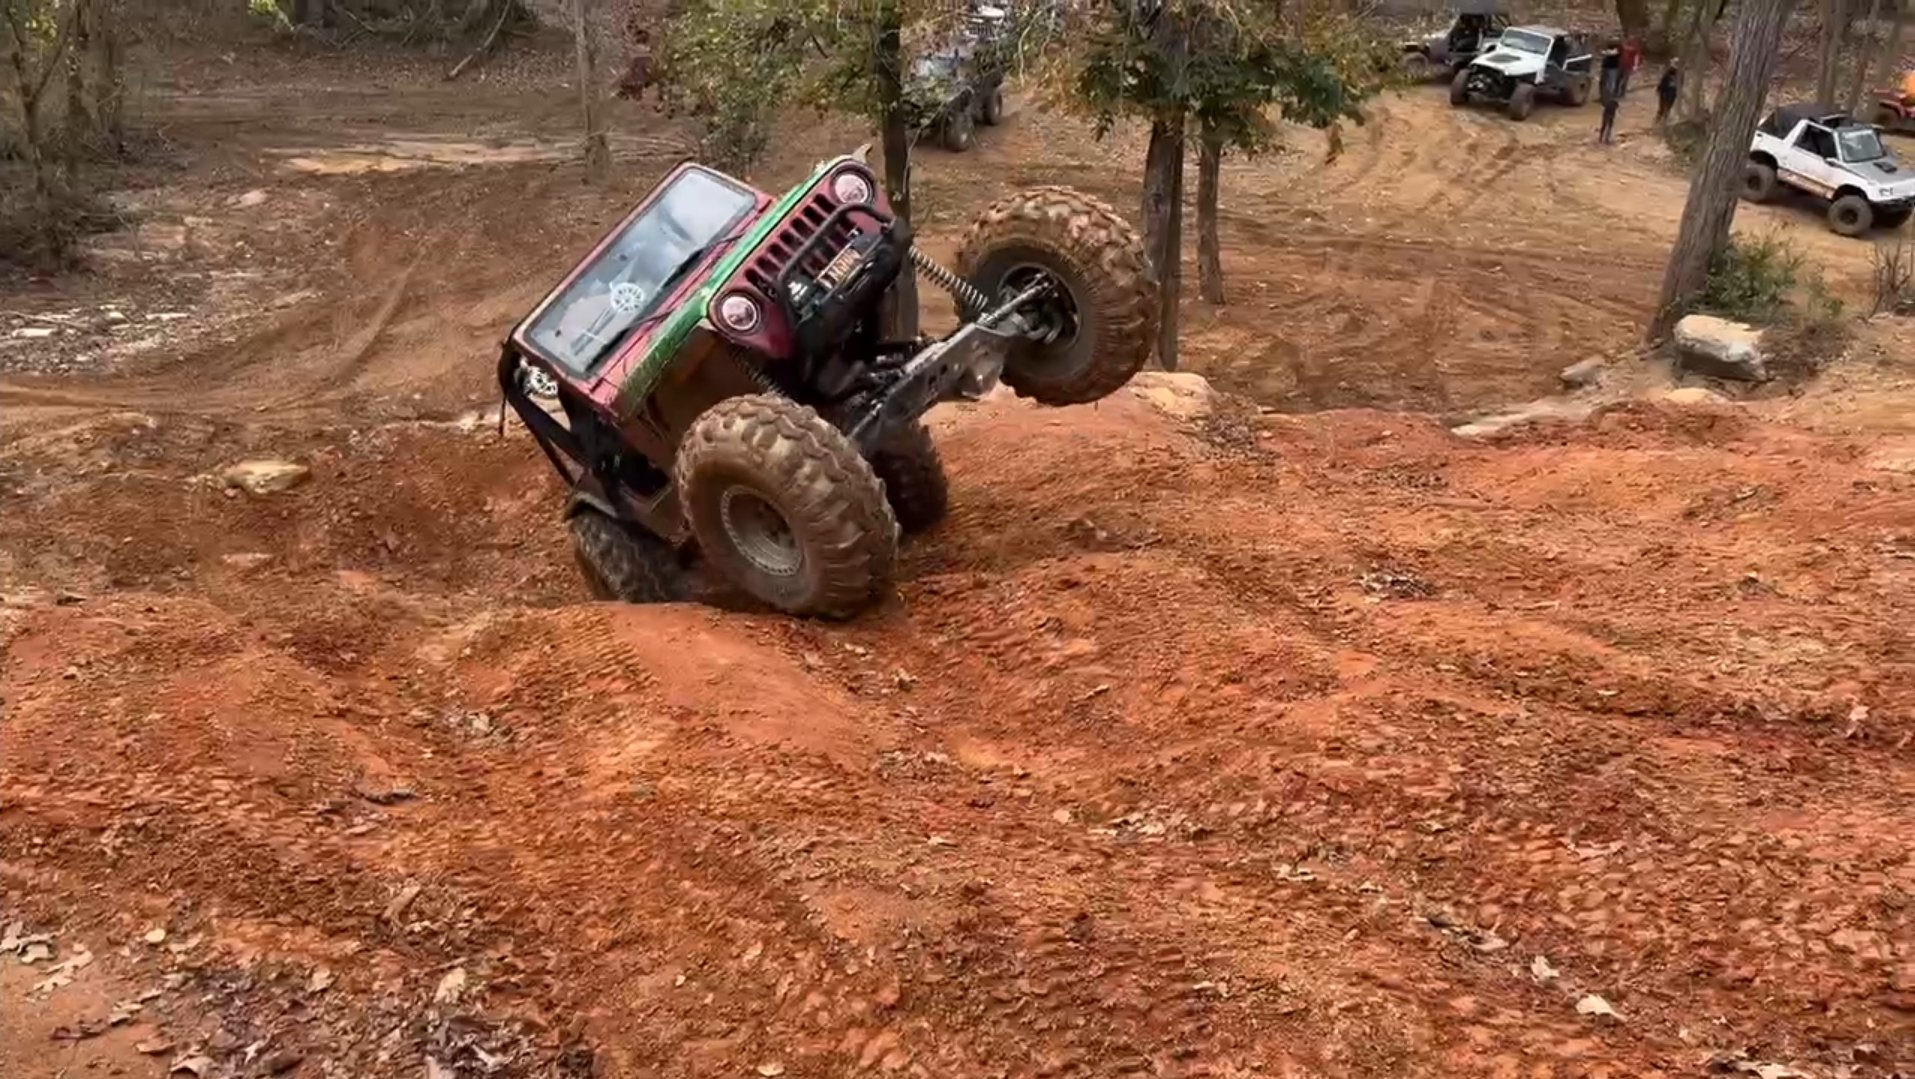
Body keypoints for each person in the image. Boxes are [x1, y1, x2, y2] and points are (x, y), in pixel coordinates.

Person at [1598, 49, 1623, 144]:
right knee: (1608, 125)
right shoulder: (1614, 102)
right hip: (1610, 113)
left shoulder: (1608, 102)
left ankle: (1602, 137)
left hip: (1607, 112)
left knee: (1605, 124)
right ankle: (1606, 138)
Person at [1656, 60, 1681, 125]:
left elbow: (1679, 86)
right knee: (1662, 109)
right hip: (1665, 94)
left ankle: (1663, 122)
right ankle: (1658, 122)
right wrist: (1660, 90)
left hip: (1671, 95)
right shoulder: (1667, 75)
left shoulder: (1678, 76)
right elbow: (1662, 84)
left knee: (1667, 109)